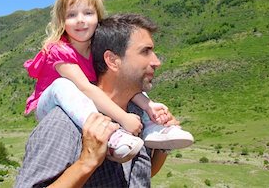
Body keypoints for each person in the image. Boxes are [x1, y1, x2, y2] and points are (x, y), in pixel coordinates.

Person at [23, 0, 193, 163]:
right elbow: (85, 88)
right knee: (63, 85)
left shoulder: (96, 47)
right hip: (50, 104)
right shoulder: (59, 50)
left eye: (88, 13)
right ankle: (112, 136)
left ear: (98, 17)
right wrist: (123, 118)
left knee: (128, 79)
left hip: (82, 101)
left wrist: (149, 105)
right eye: (71, 15)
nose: (80, 20)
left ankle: (153, 127)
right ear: (61, 21)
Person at [15, 13, 182, 186]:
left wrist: (163, 146)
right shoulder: (64, 124)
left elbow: (141, 176)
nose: (156, 62)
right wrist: (86, 163)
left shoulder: (137, 115)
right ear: (112, 60)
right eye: (145, 51)